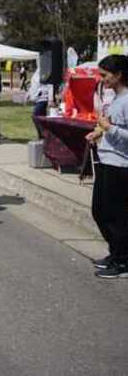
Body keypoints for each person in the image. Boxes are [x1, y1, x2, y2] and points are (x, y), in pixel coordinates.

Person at [85, 55, 128, 279]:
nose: (102, 80)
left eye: (105, 75)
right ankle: (116, 252)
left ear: (119, 74)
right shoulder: (116, 98)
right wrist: (98, 132)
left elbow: (119, 130)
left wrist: (108, 129)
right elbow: (110, 126)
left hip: (121, 166)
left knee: (115, 215)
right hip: (106, 161)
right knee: (99, 211)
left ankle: (123, 261)